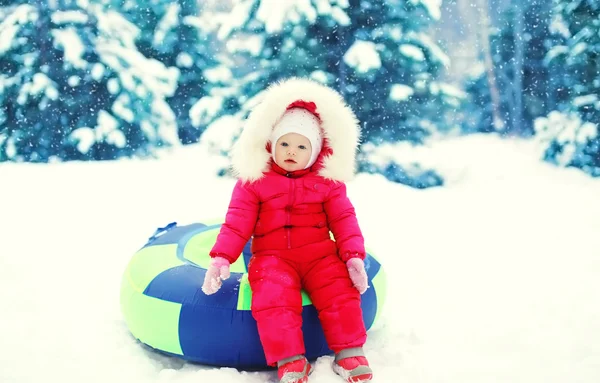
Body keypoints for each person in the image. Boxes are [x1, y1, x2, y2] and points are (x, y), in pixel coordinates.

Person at [202, 77, 373, 383]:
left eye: (301, 146)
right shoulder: (255, 181)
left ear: (316, 151)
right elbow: (236, 222)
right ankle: (291, 360)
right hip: (273, 256)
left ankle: (349, 352)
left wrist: (353, 256)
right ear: (271, 144)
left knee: (339, 290)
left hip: (320, 254)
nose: (291, 151)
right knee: (273, 295)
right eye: (284, 143)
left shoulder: (328, 183)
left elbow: (345, 220)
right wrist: (221, 258)